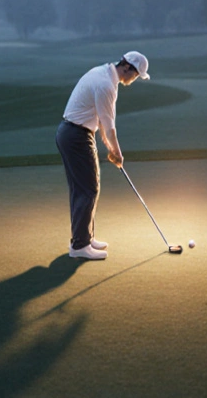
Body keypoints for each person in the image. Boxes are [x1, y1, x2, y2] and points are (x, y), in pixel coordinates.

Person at [57, 51, 150, 260]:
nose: (134, 80)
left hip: (72, 133)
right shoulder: (106, 85)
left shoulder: (103, 73)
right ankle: (80, 245)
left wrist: (111, 148)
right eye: (136, 75)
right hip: (76, 136)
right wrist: (117, 152)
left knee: (82, 189)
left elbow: (100, 119)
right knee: (88, 189)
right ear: (127, 67)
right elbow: (109, 127)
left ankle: (85, 238)